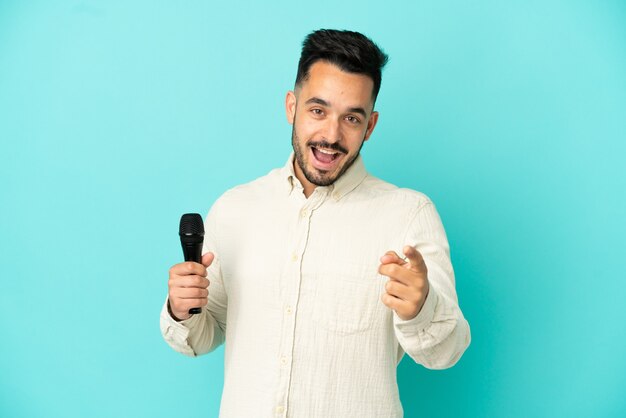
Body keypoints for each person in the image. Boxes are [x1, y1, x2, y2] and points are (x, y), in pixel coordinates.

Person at [160, 29, 471, 417]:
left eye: (351, 118)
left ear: (370, 126)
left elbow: (447, 350)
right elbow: (200, 337)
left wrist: (421, 307)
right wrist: (181, 307)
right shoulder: (235, 208)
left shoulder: (408, 214)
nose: (331, 135)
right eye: (318, 110)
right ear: (292, 107)